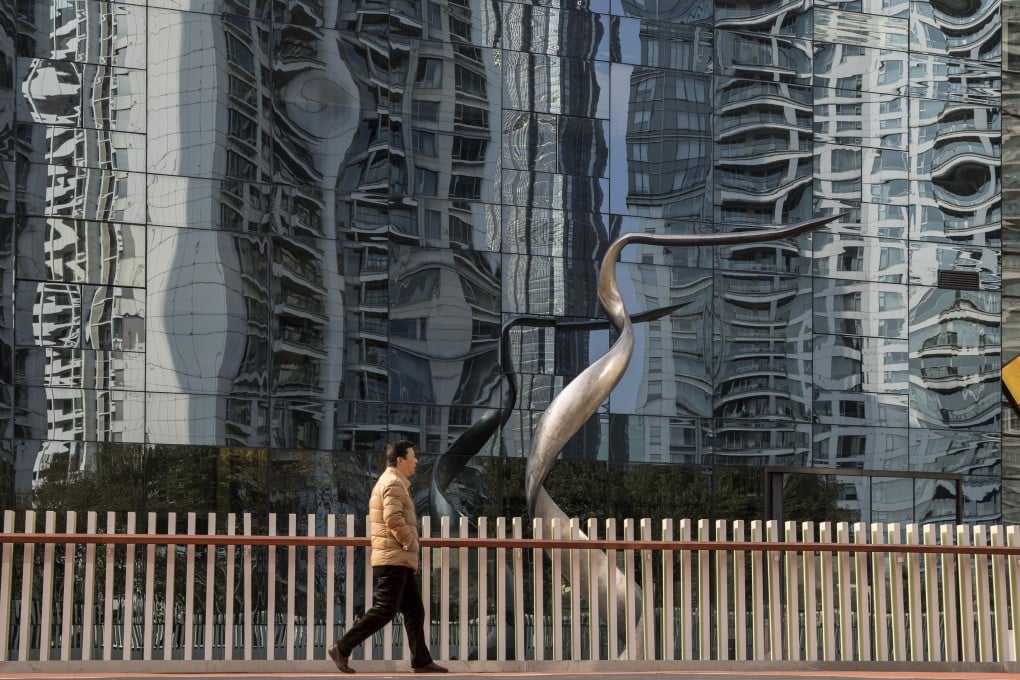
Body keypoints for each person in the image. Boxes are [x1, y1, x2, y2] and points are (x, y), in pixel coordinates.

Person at [328, 440, 447, 674]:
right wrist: (411, 543)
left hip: (396, 557)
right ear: (400, 460)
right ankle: (342, 648)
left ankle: (421, 660)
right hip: (394, 558)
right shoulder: (393, 483)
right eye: (412, 457)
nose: (416, 461)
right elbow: (393, 519)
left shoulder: (395, 482)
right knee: (385, 609)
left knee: (414, 610)